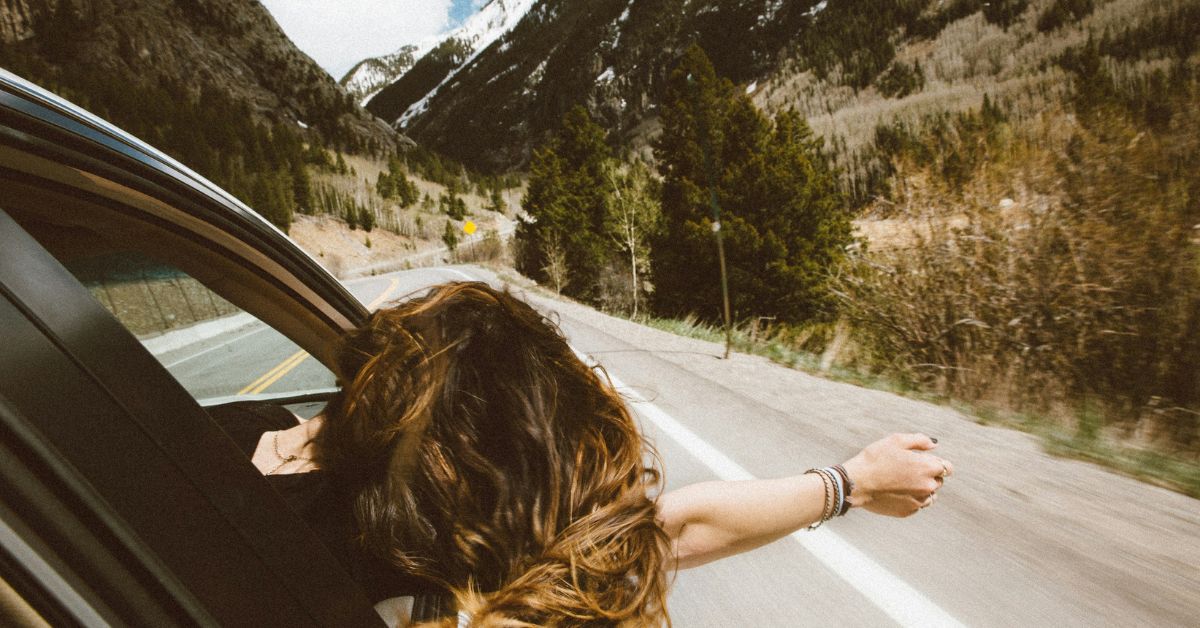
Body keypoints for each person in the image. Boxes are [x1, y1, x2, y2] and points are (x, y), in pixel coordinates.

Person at [217, 282, 953, 626]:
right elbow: (665, 533)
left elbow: (662, 532)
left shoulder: (220, 429)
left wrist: (850, 482)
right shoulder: (405, 548)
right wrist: (848, 483)